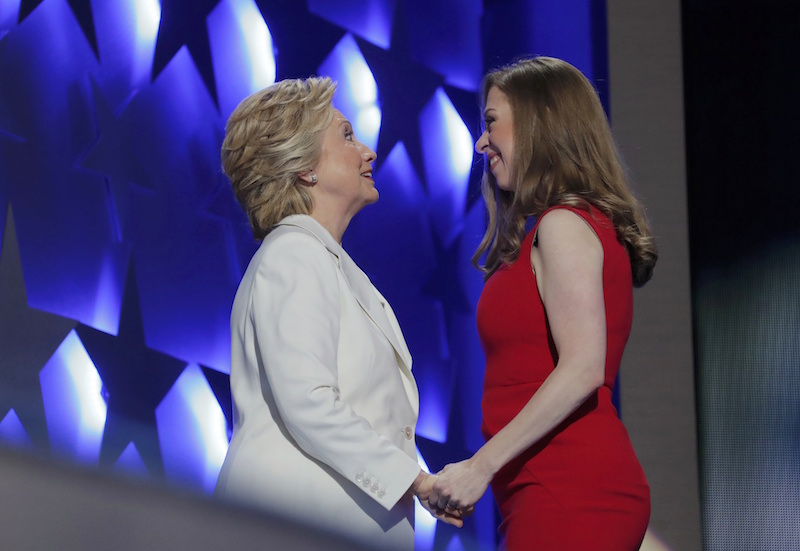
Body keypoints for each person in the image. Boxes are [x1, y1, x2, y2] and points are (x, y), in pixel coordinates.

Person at [213, 77, 461, 550]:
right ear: (304, 167)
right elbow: (309, 402)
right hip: (290, 525)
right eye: (347, 136)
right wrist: (416, 482)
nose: (368, 152)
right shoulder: (293, 255)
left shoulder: (328, 263)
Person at [426, 57, 658, 550]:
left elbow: (582, 368)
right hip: (545, 487)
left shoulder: (564, 224)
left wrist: (479, 466)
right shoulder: (563, 224)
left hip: (569, 485)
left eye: (491, 122)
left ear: (540, 122)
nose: (480, 142)